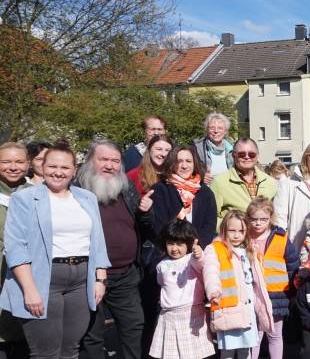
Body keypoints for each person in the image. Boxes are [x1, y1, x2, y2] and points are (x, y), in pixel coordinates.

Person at [0, 141, 110, 359]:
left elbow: (97, 240)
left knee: (71, 349)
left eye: (65, 168)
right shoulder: (24, 199)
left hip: (81, 282)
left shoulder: (86, 198)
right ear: (41, 167)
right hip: (43, 281)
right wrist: (30, 290)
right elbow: (15, 247)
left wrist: (100, 278)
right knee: (45, 352)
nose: (58, 173)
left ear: (74, 170)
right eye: (52, 167)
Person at [76, 140, 149, 359]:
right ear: (91, 161)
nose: (110, 165)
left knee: (133, 326)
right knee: (92, 333)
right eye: (103, 159)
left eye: (115, 161)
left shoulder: (126, 187)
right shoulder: (77, 190)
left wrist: (146, 213)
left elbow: (142, 225)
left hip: (125, 274)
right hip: (88, 275)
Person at [204, 210, 274, 359]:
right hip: (229, 307)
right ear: (224, 230)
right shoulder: (215, 249)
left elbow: (258, 278)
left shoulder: (250, 250)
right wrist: (213, 291)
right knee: (228, 351)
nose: (236, 235)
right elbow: (210, 271)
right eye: (232, 230)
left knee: (246, 349)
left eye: (241, 231)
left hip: (248, 308)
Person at [148, 220, 215, 359]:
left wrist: (198, 253)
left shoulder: (191, 259)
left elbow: (201, 263)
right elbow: (161, 283)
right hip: (169, 315)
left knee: (194, 354)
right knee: (171, 354)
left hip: (192, 313)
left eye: (180, 244)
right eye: (170, 243)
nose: (174, 248)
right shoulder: (161, 265)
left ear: (189, 245)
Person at [246, 197, 299, 359]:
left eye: (263, 219)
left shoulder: (281, 237)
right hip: (251, 295)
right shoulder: (244, 237)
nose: (258, 223)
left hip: (276, 295)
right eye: (254, 219)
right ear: (248, 218)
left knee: (275, 336)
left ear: (271, 218)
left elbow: (292, 264)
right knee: (254, 336)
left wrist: (291, 292)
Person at [150, 146, 219, 247]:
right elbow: (159, 225)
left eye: (188, 161)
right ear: (172, 164)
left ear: (194, 164)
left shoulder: (205, 192)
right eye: (179, 161)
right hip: (170, 251)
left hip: (197, 251)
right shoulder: (160, 189)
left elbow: (209, 226)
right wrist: (177, 247)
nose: (184, 166)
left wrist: (196, 247)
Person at [0, 143, 31, 358]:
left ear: (28, 165)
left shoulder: (38, 193)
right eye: (6, 162)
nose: (13, 167)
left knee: (23, 334)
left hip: (26, 273)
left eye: (19, 162)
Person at [210, 138, 277, 218]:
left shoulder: (270, 182)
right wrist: (231, 227)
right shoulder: (219, 182)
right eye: (242, 154)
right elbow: (210, 218)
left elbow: (276, 215)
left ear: (257, 155)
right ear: (233, 156)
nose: (247, 157)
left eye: (251, 154)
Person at [194, 112, 234, 181]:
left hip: (227, 189)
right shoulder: (196, 149)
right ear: (207, 130)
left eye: (220, 128)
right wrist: (199, 176)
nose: (216, 131)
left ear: (225, 131)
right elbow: (187, 170)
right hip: (207, 189)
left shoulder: (232, 150)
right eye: (212, 128)